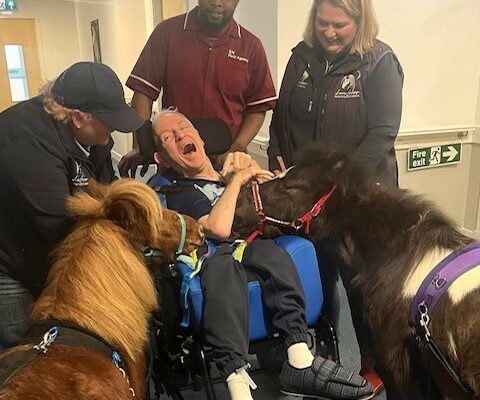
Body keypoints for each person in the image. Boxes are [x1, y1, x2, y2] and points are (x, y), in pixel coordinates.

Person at [152, 109, 373, 400]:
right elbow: (218, 229)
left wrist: (267, 182)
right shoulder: (181, 191)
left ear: (201, 139)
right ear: (163, 159)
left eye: (184, 127)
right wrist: (238, 180)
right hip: (213, 257)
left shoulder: (229, 170)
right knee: (222, 270)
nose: (181, 135)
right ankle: (237, 384)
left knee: (274, 254)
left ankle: (299, 358)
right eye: (169, 137)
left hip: (253, 246)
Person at [268, 0, 404, 393]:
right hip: (310, 201)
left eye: (339, 25)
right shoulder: (300, 58)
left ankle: (373, 363)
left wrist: (335, 180)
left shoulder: (379, 62)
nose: (329, 32)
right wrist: (279, 152)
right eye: (323, 23)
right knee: (316, 278)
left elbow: (382, 133)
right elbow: (280, 119)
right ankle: (325, 354)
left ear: (360, 22)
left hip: (359, 198)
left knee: (362, 287)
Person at [0, 62, 144, 350]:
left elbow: (106, 191)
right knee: (20, 350)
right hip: (10, 261)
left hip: (47, 245)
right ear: (78, 118)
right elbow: (61, 228)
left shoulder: (95, 135)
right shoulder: (26, 145)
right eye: (109, 121)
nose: (114, 129)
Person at [120, 0, 277, 177]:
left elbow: (258, 108)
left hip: (226, 164)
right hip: (177, 163)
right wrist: (140, 145)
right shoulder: (167, 33)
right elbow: (143, 91)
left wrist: (236, 149)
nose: (217, 2)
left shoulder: (251, 46)